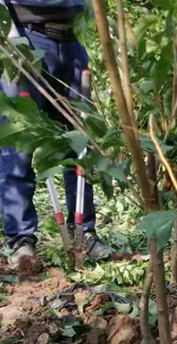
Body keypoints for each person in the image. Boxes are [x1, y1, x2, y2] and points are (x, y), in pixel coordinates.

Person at [0, 0, 112, 268]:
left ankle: (84, 231)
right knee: (20, 141)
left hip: (71, 42)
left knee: (80, 142)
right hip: (25, 36)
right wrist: (11, 36)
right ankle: (21, 239)